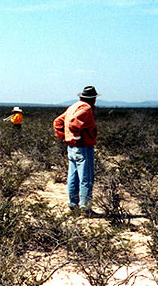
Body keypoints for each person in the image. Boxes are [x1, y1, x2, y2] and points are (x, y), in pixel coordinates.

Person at [53, 86, 100, 218]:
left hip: (71, 148)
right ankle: (86, 209)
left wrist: (64, 137)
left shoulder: (73, 106)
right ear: (93, 98)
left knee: (73, 177)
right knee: (86, 178)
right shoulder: (86, 108)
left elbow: (57, 122)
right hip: (83, 147)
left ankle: (73, 206)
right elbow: (74, 123)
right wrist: (77, 137)